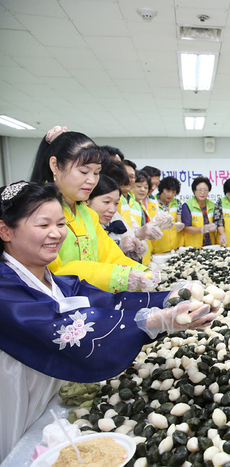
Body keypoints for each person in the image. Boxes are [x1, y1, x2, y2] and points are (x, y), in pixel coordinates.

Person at [0, 181, 215, 460]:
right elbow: (65, 328)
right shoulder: (5, 288)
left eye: (61, 224)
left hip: (52, 397)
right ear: (5, 230)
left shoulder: (57, 282)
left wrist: (170, 299)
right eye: (43, 225)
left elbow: (107, 303)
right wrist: (151, 321)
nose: (56, 233)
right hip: (18, 401)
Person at [29, 127, 156, 293]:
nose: (91, 180)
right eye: (84, 171)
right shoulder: (37, 212)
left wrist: (143, 273)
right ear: (55, 165)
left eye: (96, 173)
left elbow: (110, 256)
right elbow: (52, 272)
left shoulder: (87, 214)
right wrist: (119, 276)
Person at [85, 174, 147, 262]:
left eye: (116, 203)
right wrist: (119, 246)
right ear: (86, 200)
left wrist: (134, 250)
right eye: (106, 202)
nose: (113, 210)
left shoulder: (112, 220)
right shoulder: (81, 226)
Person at [181, 176, 218, 248]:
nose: (202, 193)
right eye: (199, 190)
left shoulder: (213, 205)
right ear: (194, 191)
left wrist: (214, 226)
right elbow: (186, 228)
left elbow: (217, 222)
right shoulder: (187, 205)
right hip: (193, 246)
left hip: (210, 245)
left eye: (205, 190)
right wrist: (201, 230)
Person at [152, 176, 185, 253]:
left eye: (173, 192)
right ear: (162, 189)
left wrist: (179, 226)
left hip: (177, 247)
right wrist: (162, 226)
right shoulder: (152, 202)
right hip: (158, 248)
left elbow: (178, 220)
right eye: (168, 191)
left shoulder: (177, 203)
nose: (170, 195)